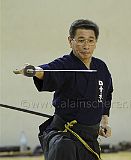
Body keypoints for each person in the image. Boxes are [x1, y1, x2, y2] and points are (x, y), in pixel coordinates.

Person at [20, 19, 113, 160]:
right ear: (71, 41)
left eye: (90, 41)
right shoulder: (65, 64)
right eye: (81, 40)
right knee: (64, 148)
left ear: (95, 42)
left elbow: (106, 95)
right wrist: (34, 71)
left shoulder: (101, 67)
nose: (86, 46)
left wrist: (104, 122)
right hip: (65, 137)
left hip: (90, 139)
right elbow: (49, 70)